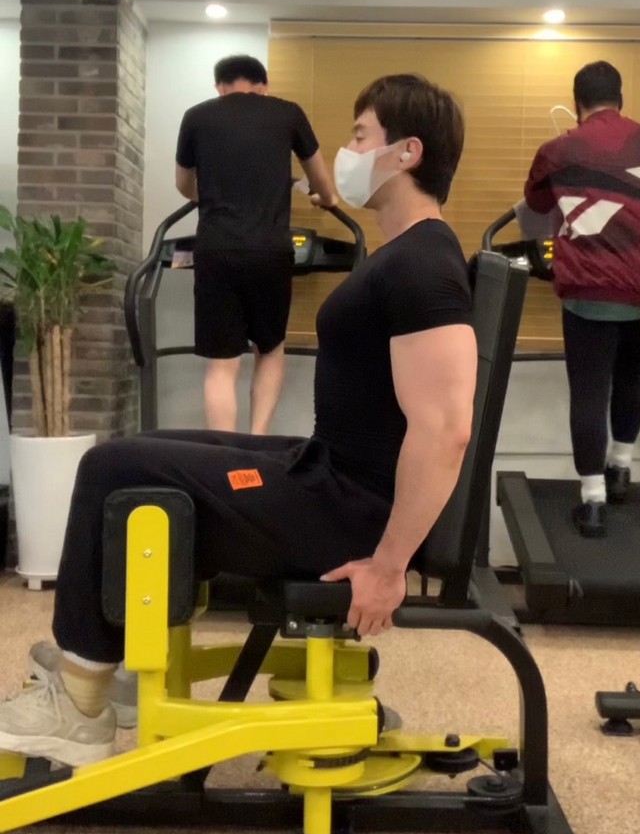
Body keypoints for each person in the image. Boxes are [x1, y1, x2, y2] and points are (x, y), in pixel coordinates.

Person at [0, 73, 476, 768]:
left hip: (348, 510)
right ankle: (110, 656)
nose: (347, 152)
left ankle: (78, 701)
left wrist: (389, 565)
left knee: (109, 466)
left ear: (407, 152)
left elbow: (446, 429)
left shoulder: (425, 263)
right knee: (141, 448)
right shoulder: (407, 254)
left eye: (360, 135)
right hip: (328, 473)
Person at [523, 60, 640, 537]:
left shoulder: (558, 150)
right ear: (621, 99)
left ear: (577, 104)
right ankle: (621, 469)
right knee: (632, 372)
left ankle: (592, 502)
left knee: (589, 389)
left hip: (591, 288)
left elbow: (537, 204)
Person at [175, 54, 337, 434]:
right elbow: (321, 181)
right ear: (264, 86)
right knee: (270, 348)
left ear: (220, 86)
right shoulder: (288, 113)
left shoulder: (196, 116)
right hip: (270, 249)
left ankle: (224, 452)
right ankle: (258, 439)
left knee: (221, 364)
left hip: (216, 247)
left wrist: (210, 198)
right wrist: (325, 199)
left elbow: (183, 184)